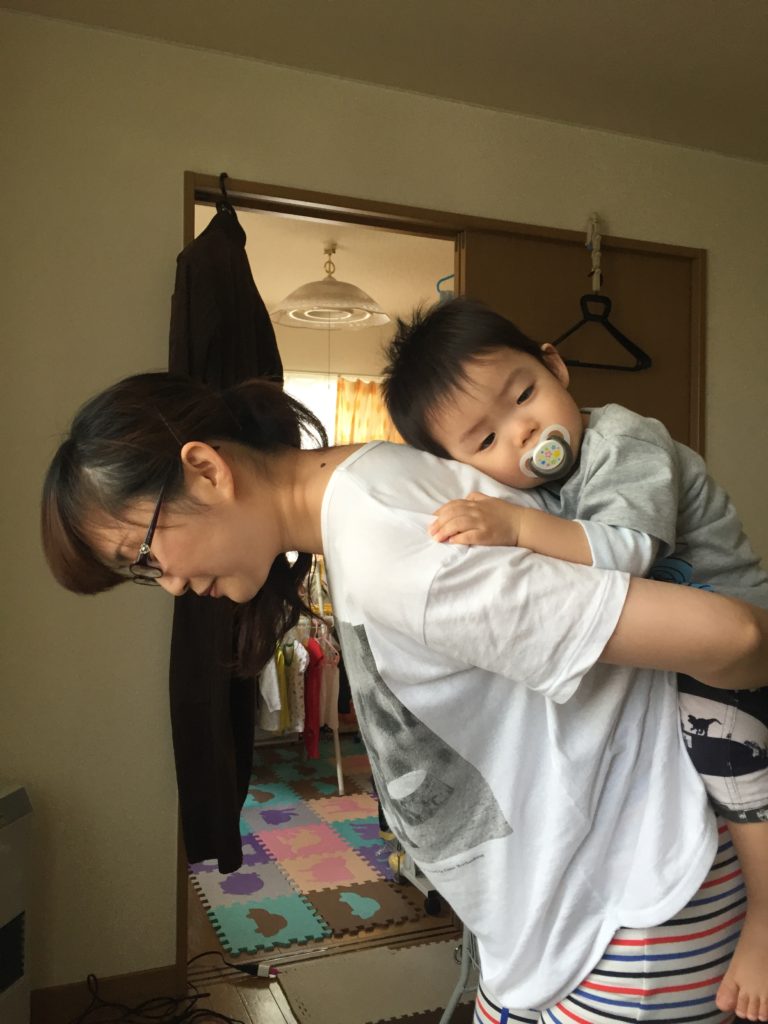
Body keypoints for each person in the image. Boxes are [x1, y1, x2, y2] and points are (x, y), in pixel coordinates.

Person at [42, 371, 768, 1024]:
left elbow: (735, 636)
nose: (169, 583)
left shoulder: (386, 540)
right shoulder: (368, 484)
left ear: (205, 469)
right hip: (561, 925)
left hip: (627, 918)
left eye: (144, 554)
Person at [381, 297, 768, 1023]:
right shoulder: (537, 489)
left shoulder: (625, 439)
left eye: (524, 394)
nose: (523, 431)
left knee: (732, 759)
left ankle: (766, 924)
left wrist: (515, 526)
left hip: (731, 636)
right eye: (487, 438)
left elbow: (626, 552)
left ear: (555, 366)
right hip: (668, 652)